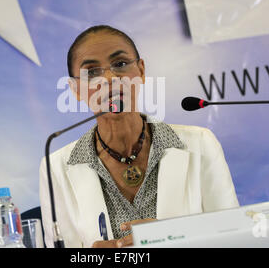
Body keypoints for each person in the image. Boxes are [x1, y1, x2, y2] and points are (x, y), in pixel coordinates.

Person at [39, 25, 239, 248]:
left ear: (141, 71)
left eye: (120, 64)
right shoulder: (56, 167)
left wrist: (173, 237)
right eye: (92, 72)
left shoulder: (200, 143)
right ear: (76, 89)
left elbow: (236, 235)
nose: (109, 78)